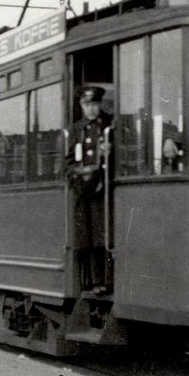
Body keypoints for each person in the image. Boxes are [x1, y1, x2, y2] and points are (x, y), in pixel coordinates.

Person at [67, 85, 113, 295]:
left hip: (102, 187)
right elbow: (67, 161)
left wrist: (109, 153)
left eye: (95, 104)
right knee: (85, 236)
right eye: (87, 104)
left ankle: (103, 280)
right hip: (82, 189)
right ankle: (89, 280)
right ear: (81, 105)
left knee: (101, 235)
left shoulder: (108, 125)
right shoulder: (76, 129)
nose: (92, 109)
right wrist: (77, 176)